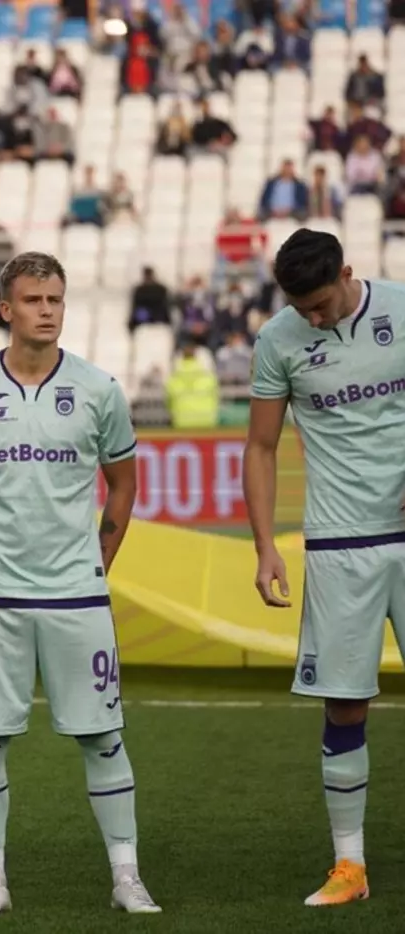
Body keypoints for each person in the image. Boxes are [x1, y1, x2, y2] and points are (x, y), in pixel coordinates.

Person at [0, 252, 158, 917]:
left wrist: (98, 561)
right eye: (33, 300)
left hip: (76, 594)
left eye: (55, 299)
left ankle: (126, 878)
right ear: (6, 310)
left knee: (103, 736)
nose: (47, 310)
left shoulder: (98, 389)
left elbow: (123, 483)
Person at [243, 228, 405, 907]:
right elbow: (260, 447)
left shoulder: (400, 309)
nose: (311, 319)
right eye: (299, 308)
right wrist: (264, 545)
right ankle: (350, 866)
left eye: (318, 305)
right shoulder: (277, 340)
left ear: (346, 273)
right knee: (344, 703)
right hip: (339, 542)